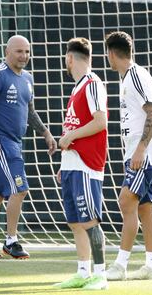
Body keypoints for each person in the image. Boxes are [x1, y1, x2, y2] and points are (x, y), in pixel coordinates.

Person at [0, 35, 57, 259]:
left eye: (27, 51)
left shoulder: (27, 78)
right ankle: (11, 240)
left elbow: (30, 111)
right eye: (19, 51)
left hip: (14, 144)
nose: (24, 56)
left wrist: (46, 133)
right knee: (20, 189)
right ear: (7, 51)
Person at [105, 31, 152, 280]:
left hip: (145, 154)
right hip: (140, 153)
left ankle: (120, 266)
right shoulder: (127, 78)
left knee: (126, 202)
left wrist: (140, 150)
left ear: (110, 53)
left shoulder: (136, 76)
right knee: (145, 208)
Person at [53, 38, 108, 290]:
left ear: (70, 58)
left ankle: (101, 275)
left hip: (87, 166)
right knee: (75, 222)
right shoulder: (76, 88)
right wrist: (64, 164)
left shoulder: (93, 83)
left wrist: (70, 137)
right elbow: (75, 125)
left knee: (89, 221)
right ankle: (83, 272)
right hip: (72, 165)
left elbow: (100, 122)